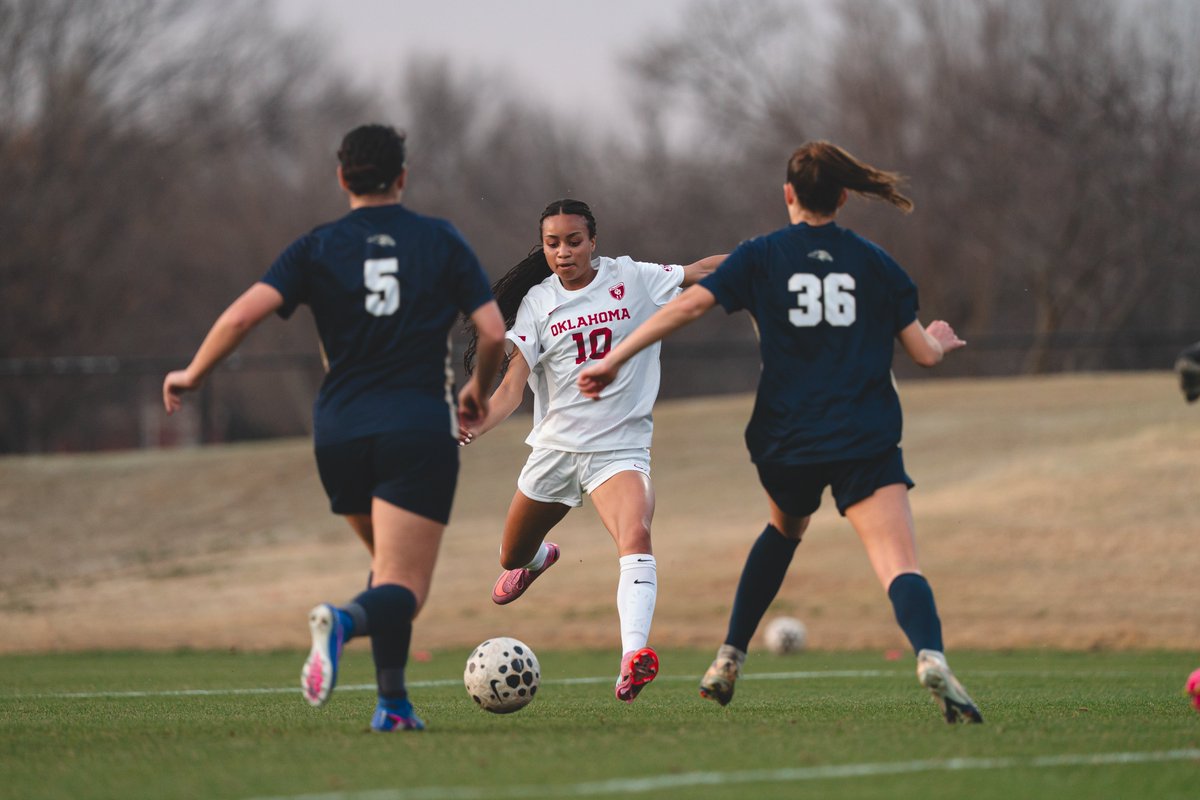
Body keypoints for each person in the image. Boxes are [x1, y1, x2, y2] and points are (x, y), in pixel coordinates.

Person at [578, 142, 984, 724]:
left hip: (787, 438)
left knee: (785, 529)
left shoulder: (762, 255)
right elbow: (922, 353)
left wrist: (615, 357)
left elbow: (688, 307)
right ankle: (930, 655)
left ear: (788, 194)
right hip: (864, 434)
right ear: (843, 196)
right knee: (899, 562)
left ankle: (728, 657)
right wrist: (939, 342)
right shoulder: (874, 262)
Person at [163, 124, 506, 732]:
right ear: (403, 176)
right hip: (415, 427)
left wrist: (193, 374)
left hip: (338, 430)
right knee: (406, 586)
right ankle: (341, 622)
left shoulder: (316, 246)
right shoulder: (439, 239)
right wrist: (478, 390)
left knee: (387, 568)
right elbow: (493, 332)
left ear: (342, 177)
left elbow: (241, 316)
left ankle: (393, 707)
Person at [460, 198, 725, 703]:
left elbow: (700, 271)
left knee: (636, 534)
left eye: (574, 241)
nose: (563, 252)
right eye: (552, 243)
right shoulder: (538, 302)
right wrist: (476, 424)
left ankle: (633, 657)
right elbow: (511, 389)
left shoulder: (631, 277)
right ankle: (537, 560)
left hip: (619, 449)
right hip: (555, 451)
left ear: (593, 241)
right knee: (511, 553)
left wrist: (769, 257)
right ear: (543, 248)